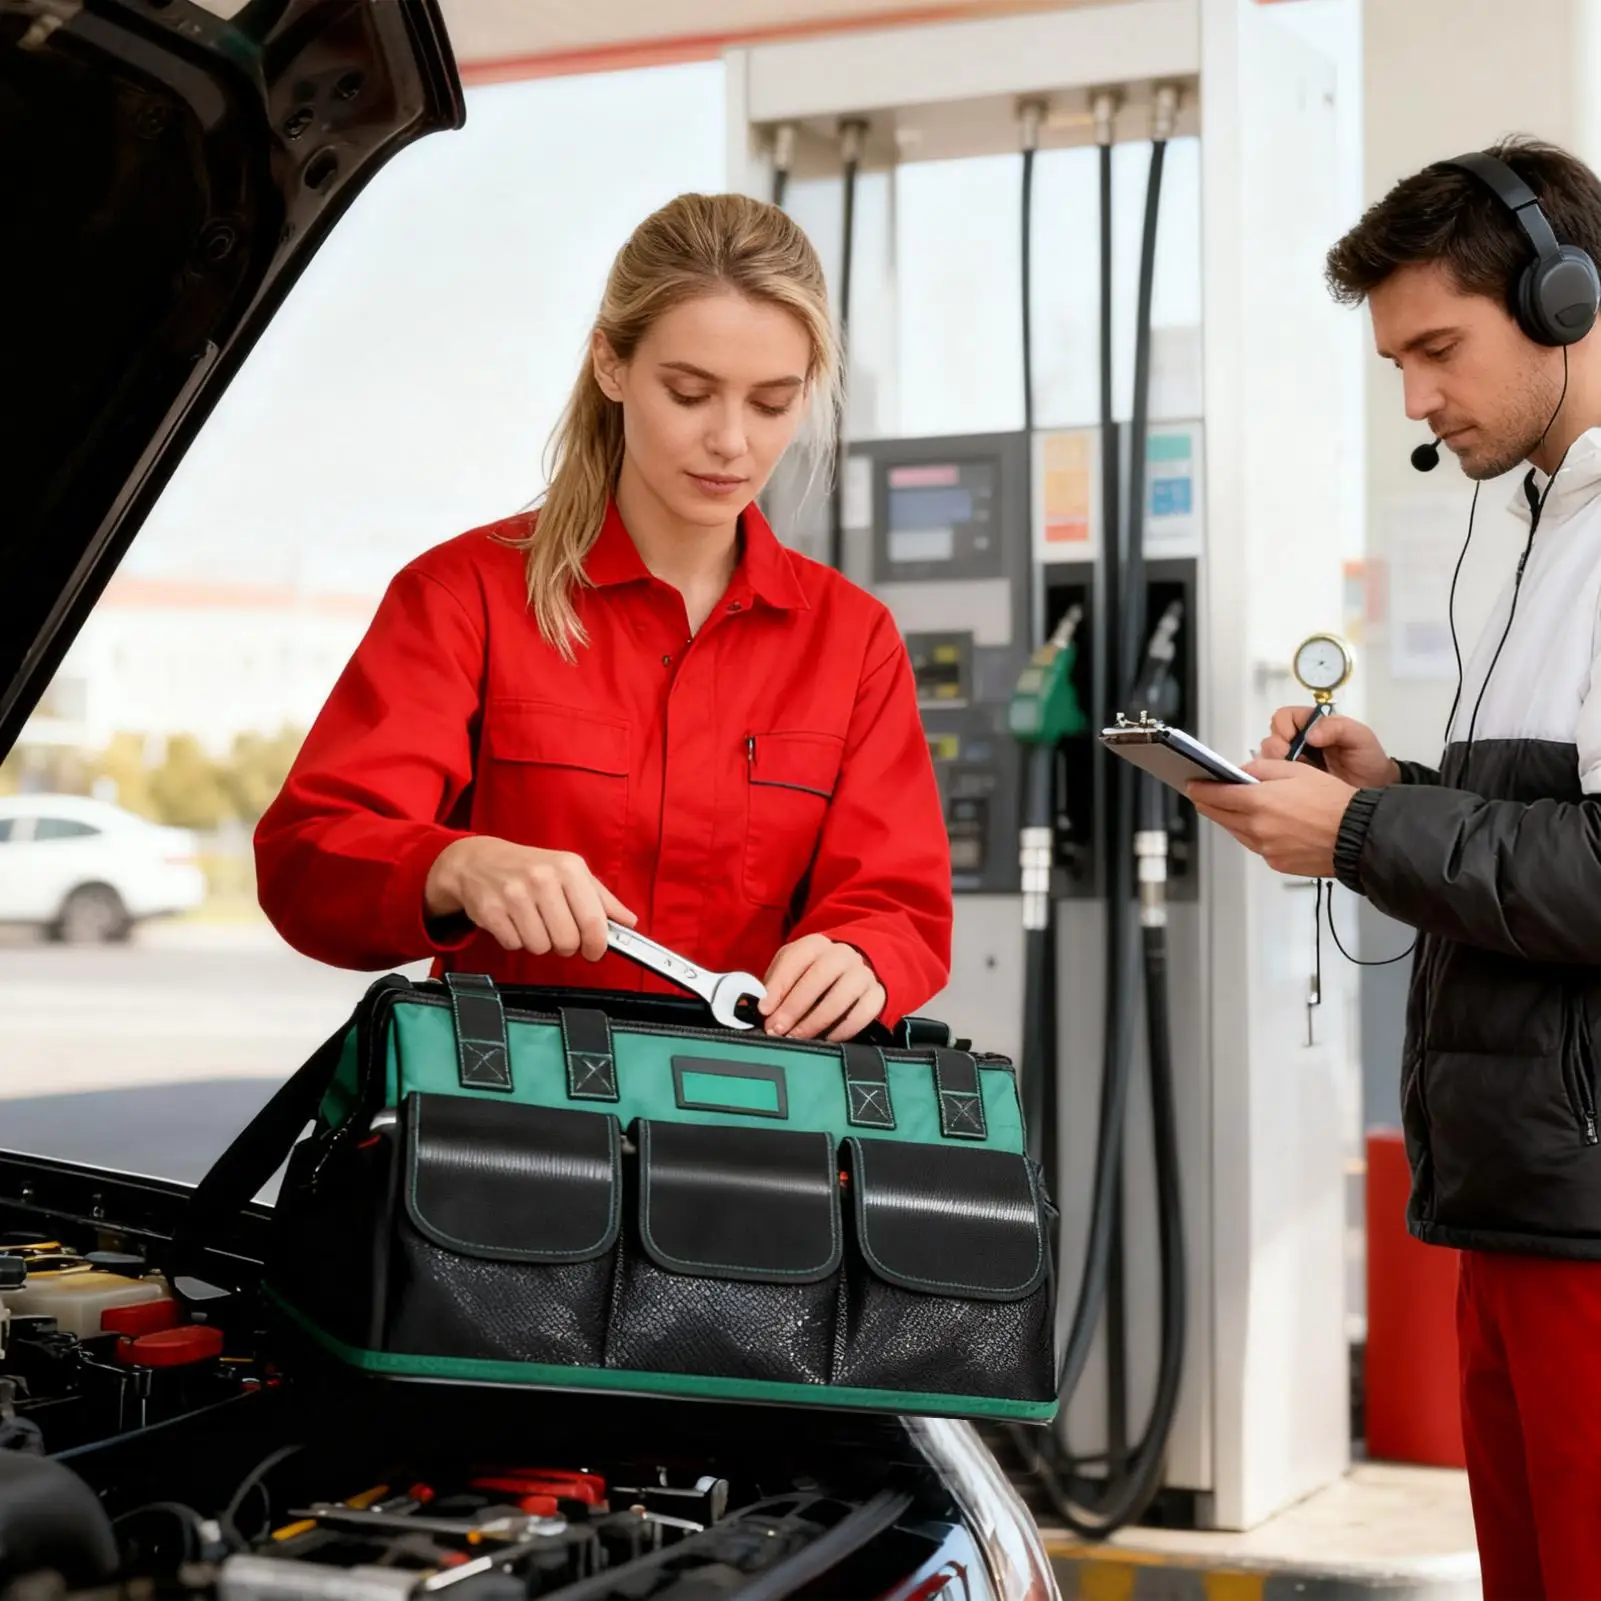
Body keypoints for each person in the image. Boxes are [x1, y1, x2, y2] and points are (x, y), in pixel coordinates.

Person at [1188, 138, 1601, 1598]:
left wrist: (1357, 837)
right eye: (1395, 364)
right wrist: (1390, 789)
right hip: (1519, 1195)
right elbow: (1531, 828)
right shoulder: (1533, 530)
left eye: (1439, 350)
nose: (1418, 401)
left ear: (1563, 298)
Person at [254, 192, 952, 1044]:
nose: (732, 440)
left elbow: (900, 903)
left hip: (756, 1139)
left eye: (771, 404)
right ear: (610, 366)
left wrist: (865, 953)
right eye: (690, 393)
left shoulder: (852, 641)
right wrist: (453, 865)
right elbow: (307, 860)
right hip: (513, 1131)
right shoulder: (462, 596)